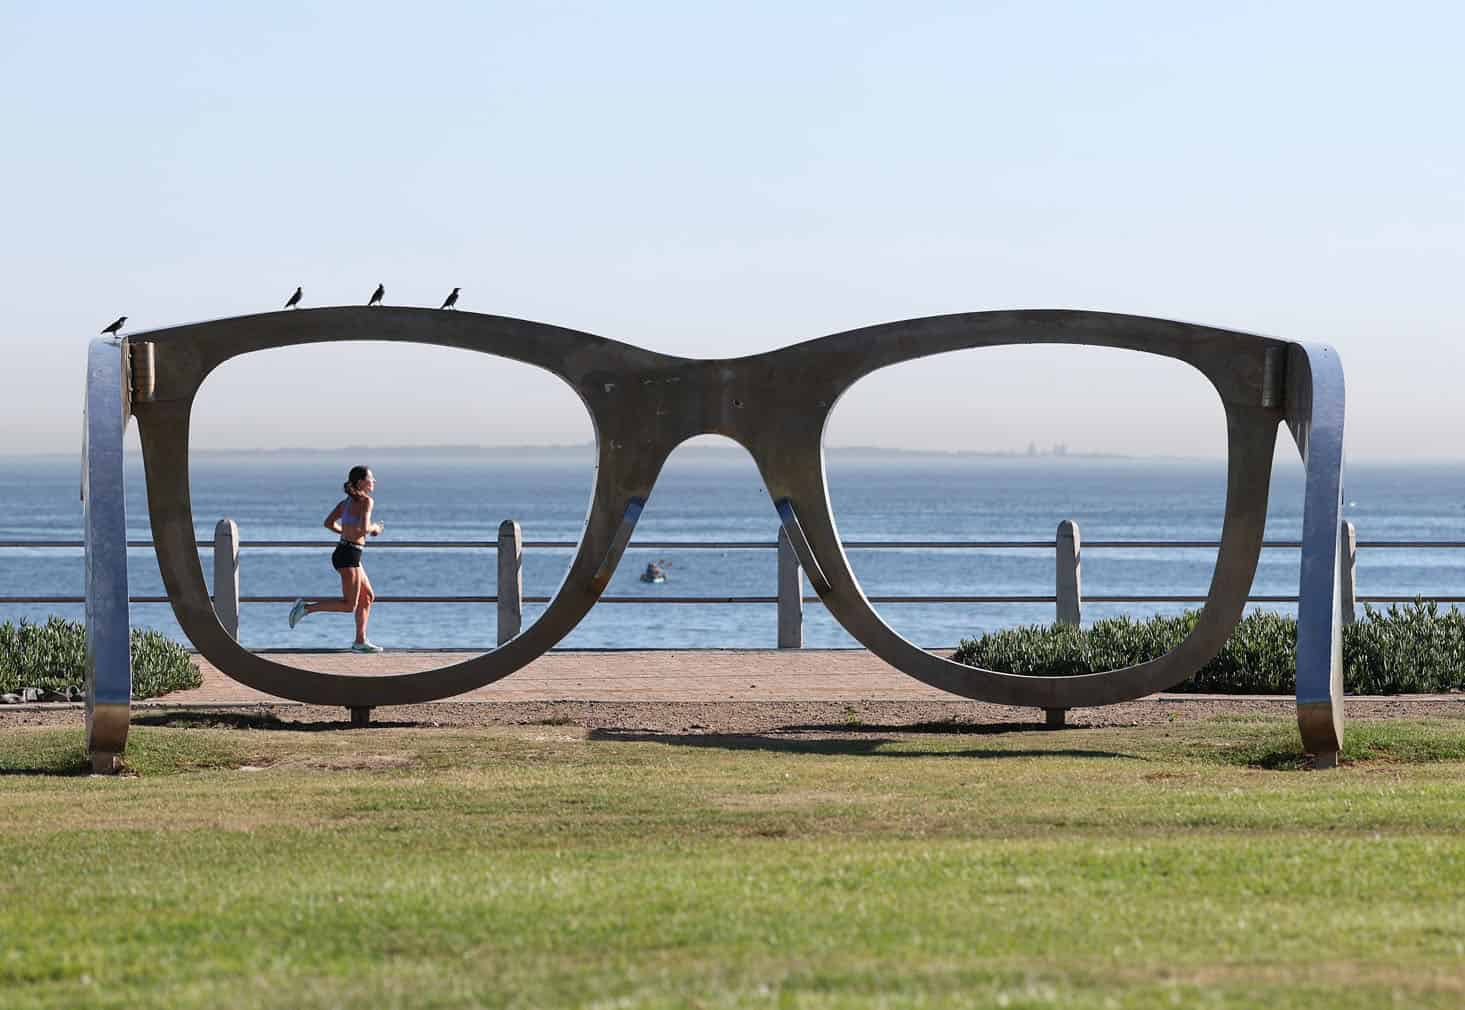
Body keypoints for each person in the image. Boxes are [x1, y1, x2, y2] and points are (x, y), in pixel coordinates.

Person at [288, 466, 385, 652]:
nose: (374, 481)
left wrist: (346, 534)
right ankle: (306, 608)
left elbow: (328, 523)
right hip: (349, 556)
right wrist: (376, 529)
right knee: (350, 605)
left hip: (345, 552)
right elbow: (364, 529)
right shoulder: (366, 501)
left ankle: (360, 641)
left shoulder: (345, 503)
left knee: (368, 596)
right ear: (360, 482)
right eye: (371, 478)